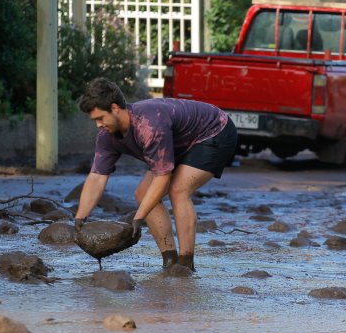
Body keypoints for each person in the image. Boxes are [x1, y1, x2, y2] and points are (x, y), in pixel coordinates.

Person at [73, 78, 238, 272]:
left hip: (214, 132)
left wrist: (138, 217)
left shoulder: (149, 126)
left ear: (115, 108)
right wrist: (80, 217)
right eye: (95, 120)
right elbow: (97, 177)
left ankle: (186, 265)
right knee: (142, 195)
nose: (98, 125)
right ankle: (169, 261)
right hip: (179, 143)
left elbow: (162, 179)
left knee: (178, 190)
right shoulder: (106, 137)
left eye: (100, 118)